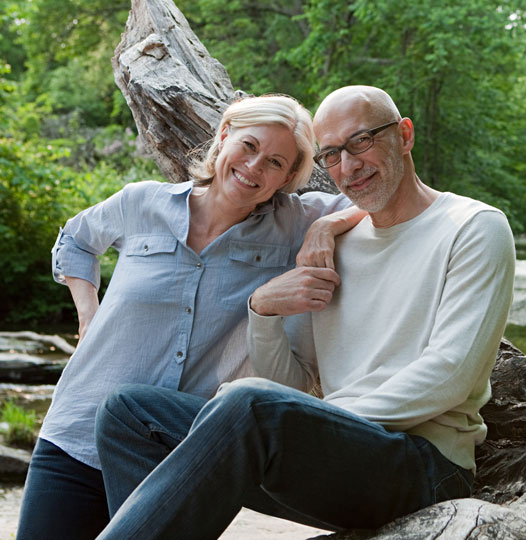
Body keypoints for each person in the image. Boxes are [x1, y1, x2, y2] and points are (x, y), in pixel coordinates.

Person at [93, 85, 516, 538]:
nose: (349, 167)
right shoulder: (337, 246)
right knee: (129, 413)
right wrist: (263, 313)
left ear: (405, 134)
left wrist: (328, 415)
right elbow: (293, 384)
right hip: (338, 458)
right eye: (331, 154)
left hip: (425, 467)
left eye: (361, 141)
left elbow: (451, 373)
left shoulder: (473, 228)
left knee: (247, 404)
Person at [16, 94, 363, 540]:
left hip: (179, 455)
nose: (256, 166)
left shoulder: (294, 223)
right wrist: (88, 313)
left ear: (288, 178)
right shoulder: (141, 203)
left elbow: (379, 202)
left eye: (276, 162)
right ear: (224, 136)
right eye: (250, 146)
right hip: (76, 434)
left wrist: (324, 226)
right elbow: (75, 241)